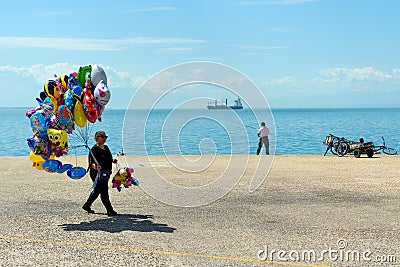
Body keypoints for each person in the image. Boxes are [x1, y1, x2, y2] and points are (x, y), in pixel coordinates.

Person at [82, 131, 118, 216]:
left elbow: (109, 158)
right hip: (97, 175)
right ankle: (110, 210)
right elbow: (91, 163)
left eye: (105, 137)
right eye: (102, 137)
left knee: (97, 190)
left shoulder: (106, 147)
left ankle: (87, 205)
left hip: (106, 173)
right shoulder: (93, 149)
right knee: (104, 191)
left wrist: (113, 160)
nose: (104, 139)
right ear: (97, 138)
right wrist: (95, 167)